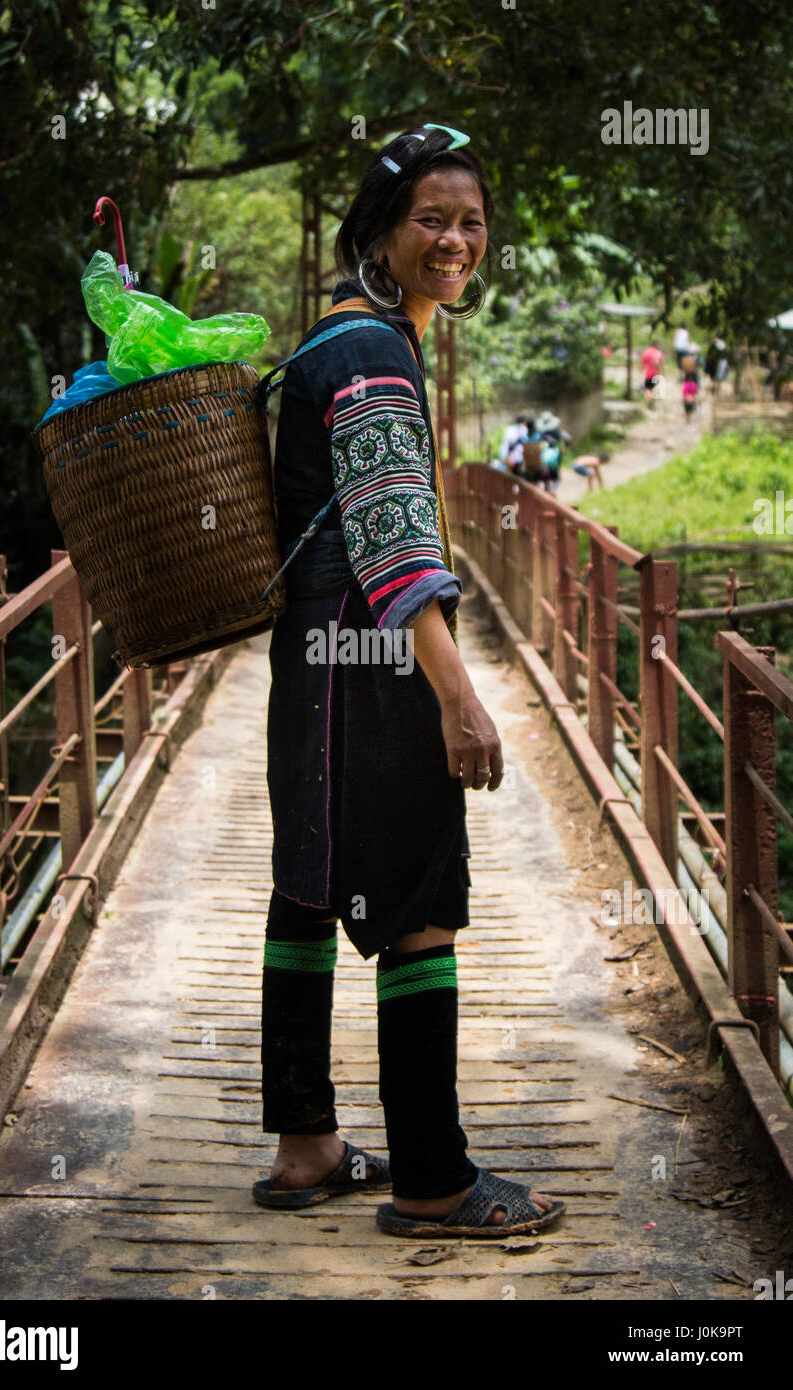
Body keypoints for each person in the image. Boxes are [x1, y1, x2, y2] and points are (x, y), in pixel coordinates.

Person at [259, 124, 565, 1237]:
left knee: (309, 878)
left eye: (470, 221)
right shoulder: (377, 352)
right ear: (381, 234)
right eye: (430, 218)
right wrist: (459, 695)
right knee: (419, 903)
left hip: (311, 657)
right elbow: (391, 538)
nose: (455, 238)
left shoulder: (333, 338)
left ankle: (305, 1146)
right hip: (375, 658)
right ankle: (432, 1179)